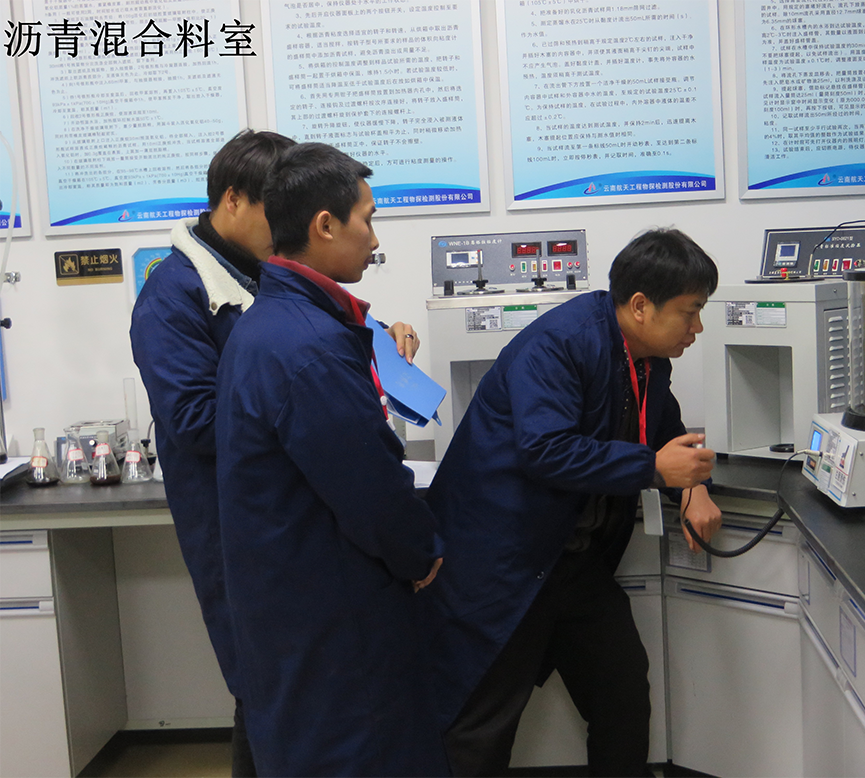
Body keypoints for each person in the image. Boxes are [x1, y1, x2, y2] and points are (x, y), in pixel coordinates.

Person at [130, 130, 421, 777]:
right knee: (266, 686)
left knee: (295, 694)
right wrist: (304, 400)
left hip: (296, 518)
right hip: (238, 522)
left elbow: (303, 358)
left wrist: (372, 346)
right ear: (233, 200)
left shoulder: (265, 277)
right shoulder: (171, 296)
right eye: (274, 205)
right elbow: (197, 418)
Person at [426, 228, 722, 778]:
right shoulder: (561, 344)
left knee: (622, 698)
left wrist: (693, 486)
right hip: (505, 565)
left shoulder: (647, 358)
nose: (697, 328)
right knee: (480, 727)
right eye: (690, 312)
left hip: (573, 564)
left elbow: (665, 429)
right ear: (641, 306)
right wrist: (655, 468)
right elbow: (546, 450)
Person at [214, 142, 448, 778]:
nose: (374, 239)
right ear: (324, 225)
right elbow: (371, 488)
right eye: (367, 220)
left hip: (294, 611)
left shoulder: (271, 325)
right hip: (335, 625)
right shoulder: (308, 348)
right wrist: (421, 551)